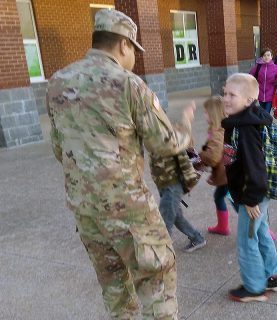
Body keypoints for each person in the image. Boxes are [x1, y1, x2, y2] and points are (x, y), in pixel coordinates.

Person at [46, 9, 194, 319]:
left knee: (115, 291)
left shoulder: (57, 82)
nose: (134, 59)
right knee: (157, 282)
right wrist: (184, 127)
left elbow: (60, 149)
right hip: (130, 212)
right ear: (124, 44)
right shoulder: (128, 84)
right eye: (134, 52)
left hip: (86, 212)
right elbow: (164, 143)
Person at [222, 73, 277, 302]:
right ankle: (274, 276)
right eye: (224, 93)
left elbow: (255, 167)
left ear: (249, 100)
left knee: (246, 240)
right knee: (261, 232)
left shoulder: (246, 127)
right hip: (256, 193)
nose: (226, 99)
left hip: (253, 195)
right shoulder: (247, 119)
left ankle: (254, 288)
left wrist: (250, 199)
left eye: (232, 95)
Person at [150, 147, 206, 253]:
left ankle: (161, 255)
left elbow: (186, 164)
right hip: (164, 185)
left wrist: (185, 186)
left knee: (165, 221)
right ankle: (197, 238)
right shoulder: (154, 140)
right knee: (176, 216)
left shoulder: (170, 139)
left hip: (172, 186)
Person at [199, 96, 230, 236]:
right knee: (219, 196)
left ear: (213, 113)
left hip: (227, 175)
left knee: (240, 205)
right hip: (225, 174)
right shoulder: (217, 129)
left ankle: (263, 231)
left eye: (206, 112)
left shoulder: (218, 132)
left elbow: (213, 156)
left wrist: (200, 155)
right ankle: (222, 227)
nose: (204, 115)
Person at [250, 48, 277, 113]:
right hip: (260, 95)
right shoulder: (258, 67)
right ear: (262, 57)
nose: (266, 57)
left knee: (266, 113)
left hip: (271, 95)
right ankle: (267, 123)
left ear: (271, 56)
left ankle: (267, 123)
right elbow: (250, 76)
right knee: (263, 113)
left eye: (268, 55)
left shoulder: (275, 67)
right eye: (264, 55)